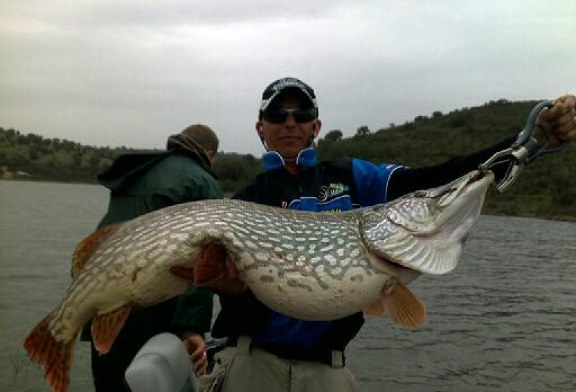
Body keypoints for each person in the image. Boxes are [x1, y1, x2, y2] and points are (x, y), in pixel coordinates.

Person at [194, 77, 576, 392]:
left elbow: (431, 180)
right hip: (250, 364)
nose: (290, 122)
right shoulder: (246, 202)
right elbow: (236, 304)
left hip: (328, 371)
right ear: (261, 127)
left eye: (302, 113)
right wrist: (227, 290)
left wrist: (528, 142)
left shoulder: (350, 176)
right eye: (277, 114)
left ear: (316, 125)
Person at [81, 124, 224, 392]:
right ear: (209, 153)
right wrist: (191, 327)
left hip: (103, 302)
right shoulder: (202, 181)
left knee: (110, 384)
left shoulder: (139, 170)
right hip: (155, 309)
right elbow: (205, 264)